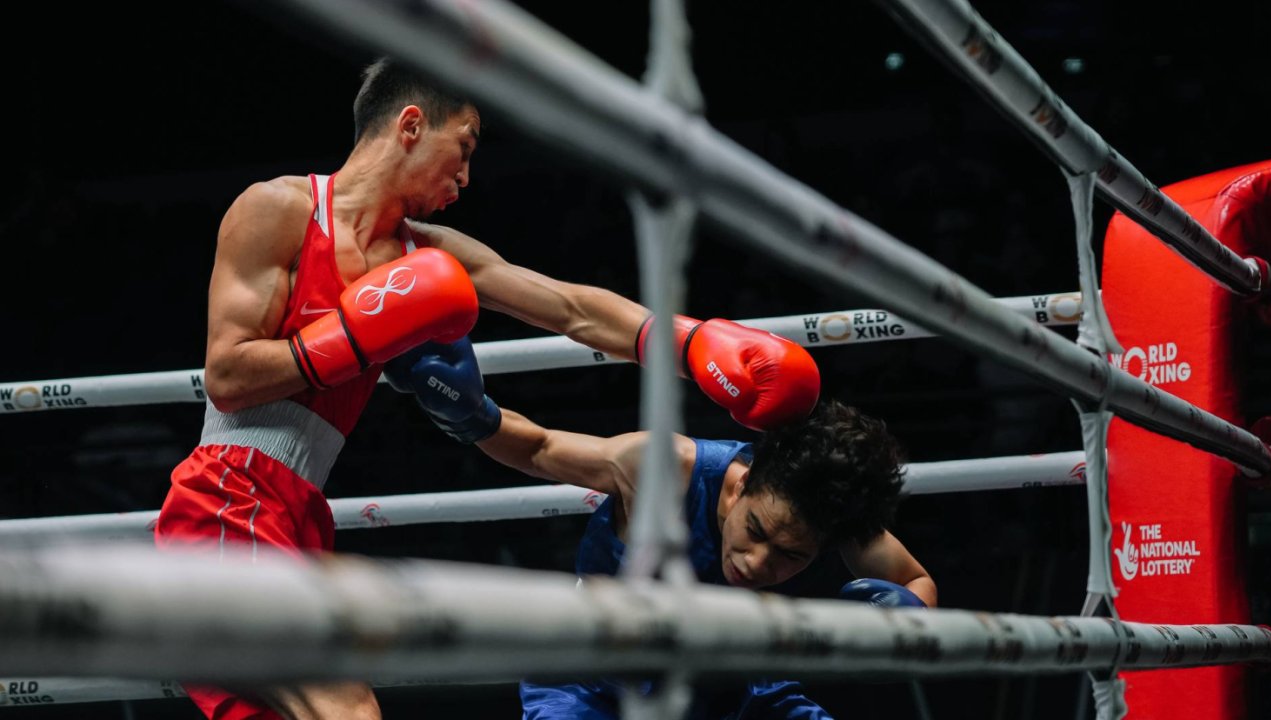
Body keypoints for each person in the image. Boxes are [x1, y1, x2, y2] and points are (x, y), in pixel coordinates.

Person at [154, 56, 820, 720]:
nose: (465, 179)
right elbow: (228, 376)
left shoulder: (426, 254)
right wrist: (355, 336)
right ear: (410, 125)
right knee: (345, 707)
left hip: (299, 512)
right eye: (464, 149)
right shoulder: (280, 209)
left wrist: (693, 343)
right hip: (229, 496)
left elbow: (571, 308)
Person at [385, 337, 936, 719]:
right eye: (757, 530)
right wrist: (472, 415)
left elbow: (915, 582)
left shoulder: (831, 512)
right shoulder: (667, 468)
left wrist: (904, 624)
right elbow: (540, 448)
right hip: (593, 681)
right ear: (743, 484)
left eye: (791, 556)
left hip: (731, 686)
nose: (757, 563)